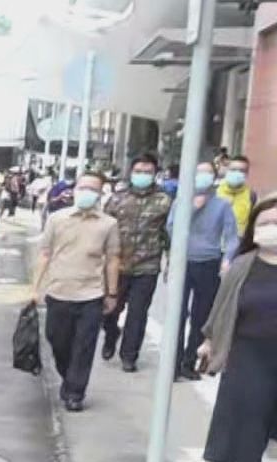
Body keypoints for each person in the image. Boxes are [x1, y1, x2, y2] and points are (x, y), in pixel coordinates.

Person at [197, 201, 277, 462]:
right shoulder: (242, 266)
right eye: (265, 223)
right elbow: (221, 306)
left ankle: (267, 456)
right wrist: (209, 341)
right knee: (251, 410)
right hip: (248, 350)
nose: (271, 229)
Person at [29, 172, 123, 412]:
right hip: (59, 291)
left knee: (84, 346)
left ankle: (75, 393)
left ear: (100, 194)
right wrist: (35, 288)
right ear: (74, 190)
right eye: (82, 187)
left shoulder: (108, 224)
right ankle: (69, 377)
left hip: (91, 294)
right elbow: (45, 254)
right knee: (56, 340)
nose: (86, 192)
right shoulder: (57, 219)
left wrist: (112, 293)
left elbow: (113, 259)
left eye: (92, 189)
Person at [101, 153, 174, 373]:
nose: (143, 175)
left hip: (147, 266)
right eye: (138, 171)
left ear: (155, 174)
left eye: (148, 172)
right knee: (110, 310)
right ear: (131, 173)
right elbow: (104, 230)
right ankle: (111, 334)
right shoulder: (117, 199)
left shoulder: (165, 201)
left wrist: (170, 261)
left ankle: (129, 356)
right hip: (117, 266)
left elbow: (170, 233)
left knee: (138, 314)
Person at [176, 160, 244, 381]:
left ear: (214, 178)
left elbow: (232, 236)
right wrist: (192, 209)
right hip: (182, 261)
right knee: (177, 313)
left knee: (201, 314)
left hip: (209, 262)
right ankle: (173, 362)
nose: (202, 177)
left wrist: (227, 259)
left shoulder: (222, 205)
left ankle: (189, 361)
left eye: (207, 173)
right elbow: (171, 227)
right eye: (199, 172)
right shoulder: (181, 201)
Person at [219, 154, 257, 235]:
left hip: (238, 240)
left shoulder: (252, 195)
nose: (237, 173)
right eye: (233, 170)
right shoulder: (214, 191)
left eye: (242, 171)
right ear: (227, 170)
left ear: (247, 174)